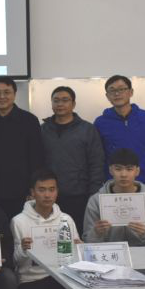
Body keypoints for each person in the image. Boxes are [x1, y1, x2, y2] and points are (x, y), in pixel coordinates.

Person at [10, 169, 84, 289]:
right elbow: (16, 262)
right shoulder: (19, 221)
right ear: (32, 192)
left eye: (52, 189)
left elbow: (76, 259)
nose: (47, 195)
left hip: (60, 276)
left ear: (57, 191)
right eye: (42, 190)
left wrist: (79, 248)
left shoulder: (66, 219)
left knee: (80, 277)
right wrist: (23, 250)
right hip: (32, 278)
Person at [40, 85, 104, 237]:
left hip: (79, 195)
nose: (60, 104)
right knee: (50, 237)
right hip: (49, 196)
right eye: (56, 100)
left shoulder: (87, 129)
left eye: (65, 100)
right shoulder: (43, 130)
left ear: (73, 104)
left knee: (77, 236)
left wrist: (93, 193)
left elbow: (96, 163)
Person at [0, 76, 44, 221]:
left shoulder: (29, 120)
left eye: (7, 92)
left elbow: (36, 157)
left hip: (22, 192)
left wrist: (33, 188)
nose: (2, 97)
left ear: (14, 94)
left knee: (20, 230)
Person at [84, 148, 145, 245]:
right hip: (110, 252)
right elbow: (87, 242)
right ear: (110, 170)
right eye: (118, 169)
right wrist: (96, 232)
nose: (123, 174)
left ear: (137, 171)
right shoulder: (96, 201)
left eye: (129, 169)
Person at [93, 75, 145, 188]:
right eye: (112, 90)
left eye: (121, 89)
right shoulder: (100, 122)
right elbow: (98, 156)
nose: (117, 94)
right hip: (113, 184)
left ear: (131, 92)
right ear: (107, 96)